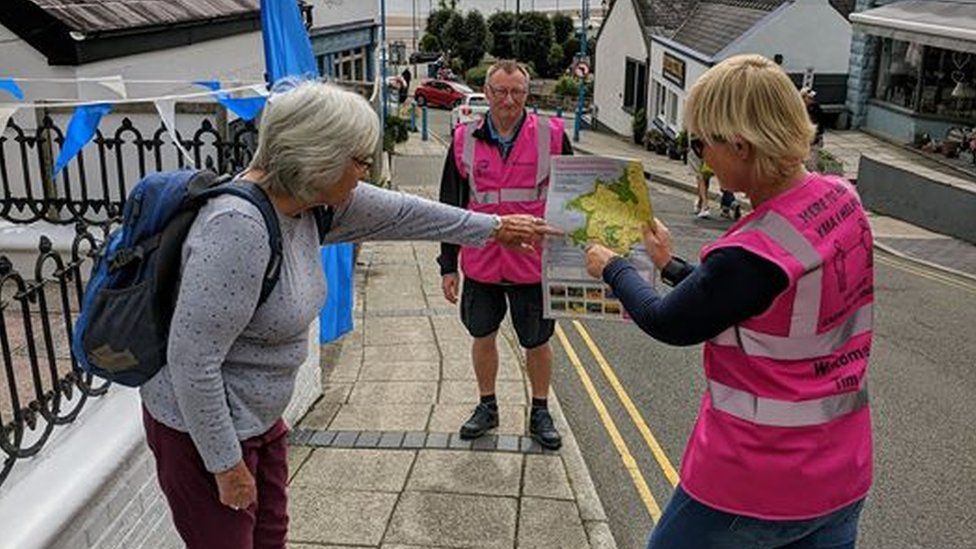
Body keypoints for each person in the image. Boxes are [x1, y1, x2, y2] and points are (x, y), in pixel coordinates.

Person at [140, 80, 560, 549]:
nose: (364, 175)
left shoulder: (312, 205)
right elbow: (191, 363)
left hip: (259, 422)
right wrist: (224, 464)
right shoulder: (237, 229)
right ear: (317, 157)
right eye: (359, 162)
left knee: (270, 537)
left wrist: (496, 228)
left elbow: (405, 214)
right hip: (203, 436)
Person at [585, 54, 874, 548]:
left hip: (753, 482)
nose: (699, 158)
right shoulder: (839, 199)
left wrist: (612, 266)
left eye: (702, 143)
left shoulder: (751, 252)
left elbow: (668, 321)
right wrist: (672, 266)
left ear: (740, 145)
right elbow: (757, 300)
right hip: (841, 473)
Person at [438, 59, 573, 450]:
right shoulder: (463, 138)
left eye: (516, 92)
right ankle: (487, 406)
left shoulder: (552, 134)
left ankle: (540, 410)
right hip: (481, 260)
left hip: (533, 262)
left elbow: (575, 198)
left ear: (527, 94)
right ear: (487, 93)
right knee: (482, 334)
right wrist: (448, 265)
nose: (508, 100)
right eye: (500, 91)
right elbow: (451, 205)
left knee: (537, 340)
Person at [801, 86, 825, 171]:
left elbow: (821, 124)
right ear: (803, 98)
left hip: (813, 140)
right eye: (810, 98)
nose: (812, 99)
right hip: (801, 140)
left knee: (812, 163)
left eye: (813, 97)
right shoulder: (798, 109)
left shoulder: (816, 109)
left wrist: (819, 136)